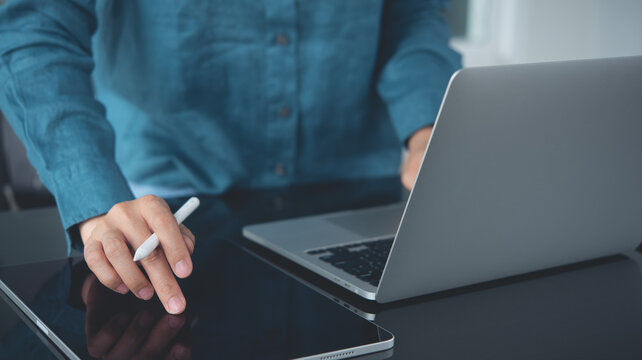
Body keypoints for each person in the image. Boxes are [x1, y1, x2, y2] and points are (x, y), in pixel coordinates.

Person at [0, 0, 461, 315]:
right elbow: (35, 30)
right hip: (169, 200)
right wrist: (95, 197)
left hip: (363, 195)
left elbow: (412, 14)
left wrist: (427, 135)